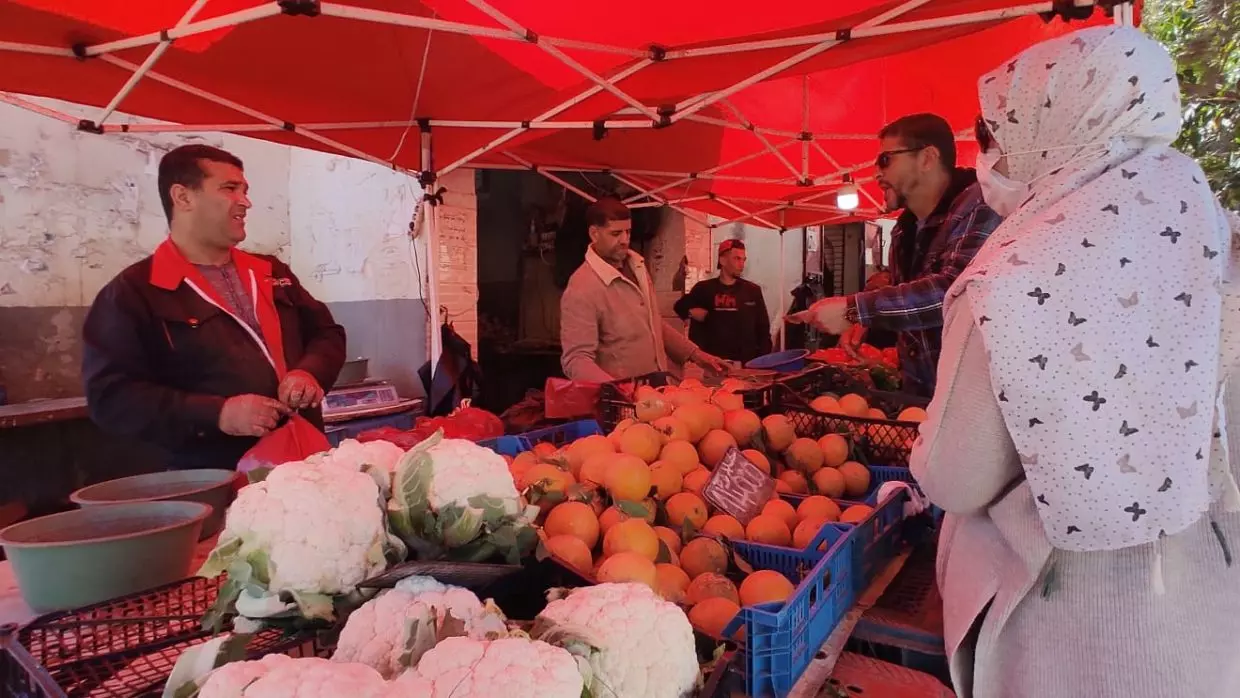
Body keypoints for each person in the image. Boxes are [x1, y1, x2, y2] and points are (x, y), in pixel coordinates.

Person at [910, 26, 1240, 698]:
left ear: (1052, 128)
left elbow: (955, 477)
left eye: (998, 136)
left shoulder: (1012, 276)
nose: (990, 160)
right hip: (1207, 613)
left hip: (1068, 634)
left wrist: (922, 446)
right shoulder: (1221, 240)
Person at [82, 144, 347, 470]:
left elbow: (326, 333)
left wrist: (309, 372)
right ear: (183, 197)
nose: (245, 202)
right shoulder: (134, 292)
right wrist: (218, 414)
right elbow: (111, 398)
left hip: (302, 461)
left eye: (245, 190)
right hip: (212, 475)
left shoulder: (271, 271)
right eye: (229, 188)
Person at [788, 113, 1002, 397]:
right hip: (923, 398)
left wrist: (855, 309)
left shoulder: (982, 206)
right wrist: (865, 322)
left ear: (927, 158)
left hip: (972, 401)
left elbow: (954, 292)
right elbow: (912, 309)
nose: (876, 174)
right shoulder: (904, 231)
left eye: (885, 160)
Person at [560, 196, 727, 382]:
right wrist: (615, 390)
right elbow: (576, 360)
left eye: (628, 232)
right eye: (616, 234)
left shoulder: (637, 266)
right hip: (621, 395)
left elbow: (652, 323)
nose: (624, 240)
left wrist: (696, 355)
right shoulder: (582, 287)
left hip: (656, 387)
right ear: (594, 233)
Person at [673, 239, 772, 365]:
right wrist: (690, 312)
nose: (741, 264)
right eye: (737, 258)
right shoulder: (704, 289)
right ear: (722, 260)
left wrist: (762, 361)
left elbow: (763, 329)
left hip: (745, 365)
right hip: (712, 364)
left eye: (743, 259)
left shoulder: (752, 291)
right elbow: (679, 306)